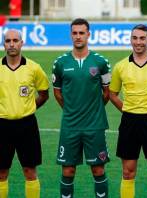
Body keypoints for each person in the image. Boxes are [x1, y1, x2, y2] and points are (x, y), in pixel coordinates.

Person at [109, 24, 147, 198]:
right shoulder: (120, 67)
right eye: (135, 38)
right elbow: (112, 94)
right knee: (128, 172)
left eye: (142, 38)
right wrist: (127, 110)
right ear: (130, 40)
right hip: (129, 122)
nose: (138, 42)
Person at [52, 18, 111, 198]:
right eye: (75, 33)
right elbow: (57, 93)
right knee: (68, 171)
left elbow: (106, 93)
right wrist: (72, 109)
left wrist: (92, 110)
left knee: (98, 170)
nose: (78, 37)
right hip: (70, 126)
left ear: (88, 35)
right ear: (71, 35)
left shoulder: (101, 62)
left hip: (94, 125)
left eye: (81, 33)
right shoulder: (60, 63)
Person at [0, 29, 49, 198]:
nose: (12, 44)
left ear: (22, 43)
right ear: (4, 44)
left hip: (27, 125)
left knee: (30, 171)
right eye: (8, 41)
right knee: (1, 173)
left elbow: (44, 94)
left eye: (15, 40)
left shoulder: (34, 68)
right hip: (2, 125)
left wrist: (28, 108)